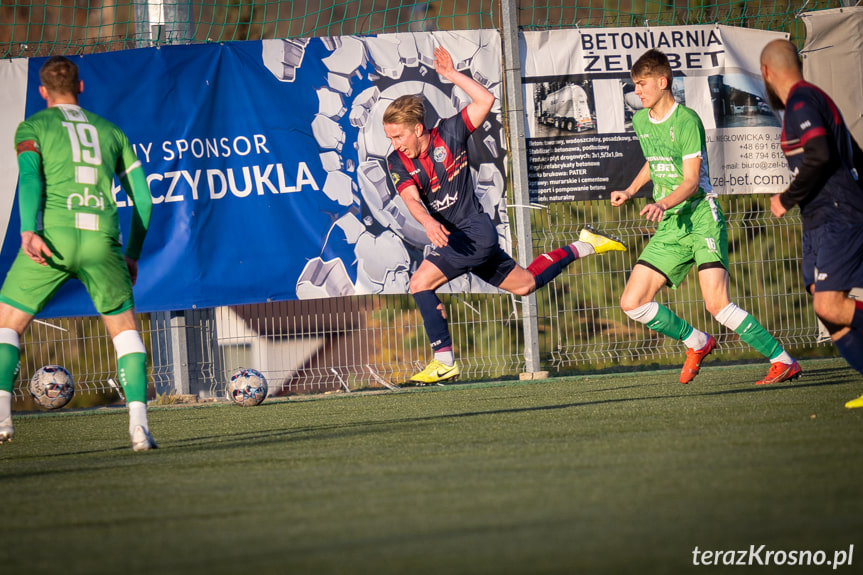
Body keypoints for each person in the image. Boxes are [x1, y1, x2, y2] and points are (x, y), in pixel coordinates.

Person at [384, 46, 627, 385]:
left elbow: (485, 101)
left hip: (475, 233)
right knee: (525, 284)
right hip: (463, 239)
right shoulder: (397, 161)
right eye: (390, 138)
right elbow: (411, 198)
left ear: (419, 128)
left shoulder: (450, 133)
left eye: (399, 136)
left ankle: (443, 360)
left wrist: (452, 76)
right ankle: (583, 246)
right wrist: (427, 221)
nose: (395, 144)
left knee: (419, 283)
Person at [610, 49, 800, 385]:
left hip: (700, 217)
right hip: (672, 224)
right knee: (632, 302)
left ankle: (782, 360)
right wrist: (629, 189)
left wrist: (663, 204)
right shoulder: (641, 120)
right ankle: (697, 341)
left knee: (717, 304)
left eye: (641, 84)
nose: (636, 91)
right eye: (634, 85)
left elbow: (690, 181)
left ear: (662, 81)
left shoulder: (687, 121)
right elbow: (655, 162)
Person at [0, 56, 156, 449]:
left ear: (42, 91)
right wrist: (132, 252)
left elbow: (31, 177)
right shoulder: (110, 131)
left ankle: (2, 418)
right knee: (125, 334)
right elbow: (144, 200)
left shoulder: (33, 125)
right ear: (80, 87)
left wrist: (28, 230)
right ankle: (139, 425)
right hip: (102, 241)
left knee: (7, 325)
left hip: (54, 239)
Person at [760, 39, 863, 408]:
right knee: (823, 303)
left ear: (766, 73)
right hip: (820, 218)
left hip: (837, 213)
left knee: (830, 306)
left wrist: (785, 198)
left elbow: (819, 153)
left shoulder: (803, 101)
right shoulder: (813, 100)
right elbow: (856, 154)